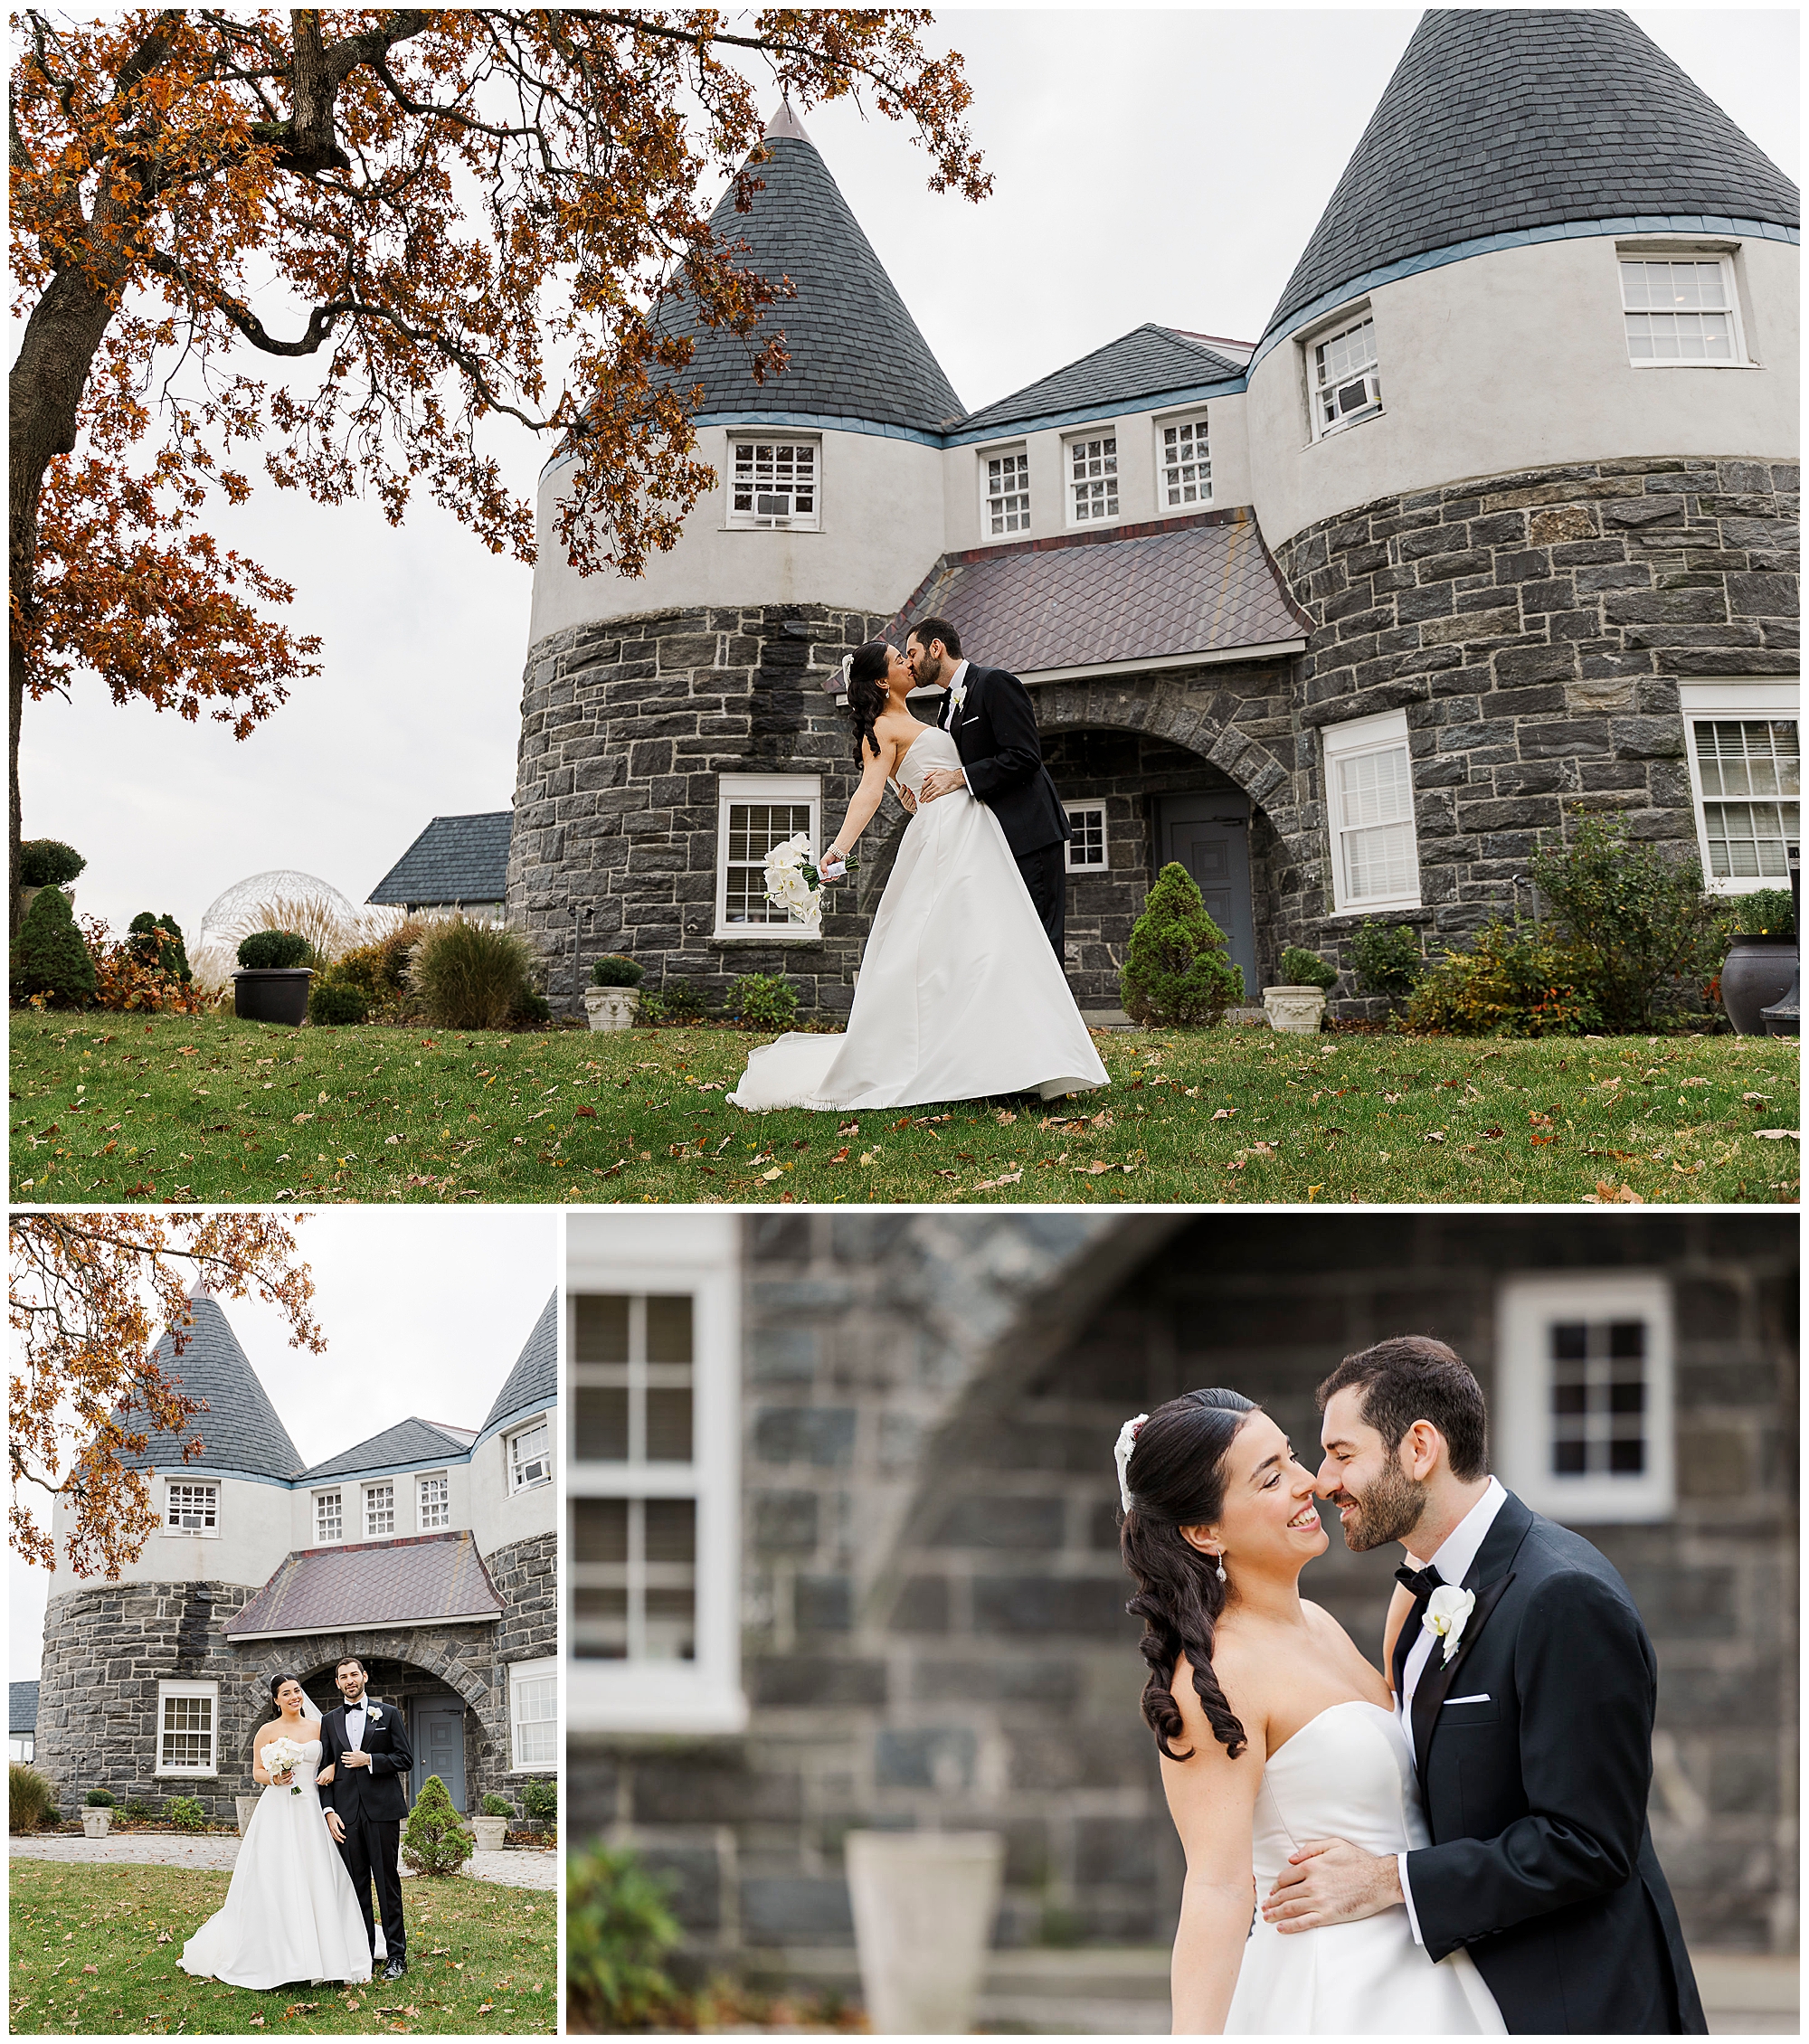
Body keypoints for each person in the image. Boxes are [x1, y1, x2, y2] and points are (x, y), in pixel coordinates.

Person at [1264, 1337, 1706, 2035]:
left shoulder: (1563, 1596)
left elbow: (1586, 1842)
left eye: (1343, 1454)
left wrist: (1388, 1881)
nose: (1322, 1481)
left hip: (1577, 2005)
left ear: (1419, 1448)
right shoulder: (1426, 1588)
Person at [1117, 1389, 1504, 2035]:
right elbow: (1216, 1888)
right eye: (1270, 1478)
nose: (1308, 1485)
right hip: (1334, 1990)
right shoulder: (1217, 1676)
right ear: (1204, 1532)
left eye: (1291, 1458)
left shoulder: (1319, 1625)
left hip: (1431, 1966)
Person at [725, 639, 1107, 1112]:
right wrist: (837, 850)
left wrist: (911, 787)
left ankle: (1015, 1063)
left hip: (976, 831)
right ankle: (974, 1065)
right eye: (898, 659)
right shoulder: (882, 728)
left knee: (994, 944)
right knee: (956, 949)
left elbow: (927, 769)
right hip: (947, 837)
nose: (908, 662)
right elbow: (869, 791)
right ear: (883, 680)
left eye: (907, 654)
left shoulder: (936, 711)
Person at [179, 1673, 374, 1990]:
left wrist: (332, 1768)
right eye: (287, 1693)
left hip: (311, 1806)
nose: (295, 1697)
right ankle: (282, 1956)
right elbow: (257, 1770)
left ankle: (331, 1954)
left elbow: (338, 1758)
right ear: (276, 1700)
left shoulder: (320, 1726)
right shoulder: (267, 1731)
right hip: (278, 1807)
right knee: (276, 1875)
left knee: (318, 1873)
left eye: (297, 1691)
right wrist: (274, 1777)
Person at [902, 616, 1072, 958]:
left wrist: (959, 777)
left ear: (937, 648)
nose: (908, 663)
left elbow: (1025, 757)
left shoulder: (996, 683)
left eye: (912, 652)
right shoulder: (945, 709)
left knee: (1040, 942)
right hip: (990, 841)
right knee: (1006, 942)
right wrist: (921, 795)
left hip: (1030, 835)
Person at [316, 1655, 414, 1981]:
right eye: (343, 1677)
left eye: (354, 1674)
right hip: (345, 1816)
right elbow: (324, 1770)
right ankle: (364, 1952)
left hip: (382, 1812)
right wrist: (328, 1811)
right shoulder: (329, 1721)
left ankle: (396, 1956)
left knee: (387, 1883)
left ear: (365, 1677)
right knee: (355, 1885)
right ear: (337, 1683)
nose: (349, 1680)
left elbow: (404, 1758)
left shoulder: (388, 1714)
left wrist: (369, 1759)